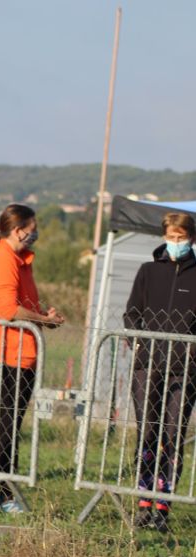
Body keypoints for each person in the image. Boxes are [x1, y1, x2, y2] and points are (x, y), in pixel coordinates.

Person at [0, 203, 64, 513]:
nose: (35, 234)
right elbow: (7, 310)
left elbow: (23, 306)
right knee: (3, 426)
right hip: (3, 355)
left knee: (11, 428)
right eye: (33, 228)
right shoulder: (3, 259)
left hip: (21, 356)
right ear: (18, 230)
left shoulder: (21, 261)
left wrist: (43, 317)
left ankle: (6, 493)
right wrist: (42, 317)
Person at [123, 211, 196, 532]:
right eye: (171, 236)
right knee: (148, 433)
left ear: (191, 238)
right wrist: (137, 343)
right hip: (148, 366)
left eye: (181, 237)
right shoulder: (148, 271)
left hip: (186, 371)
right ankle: (142, 500)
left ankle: (163, 505)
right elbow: (131, 314)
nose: (176, 242)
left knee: (172, 434)